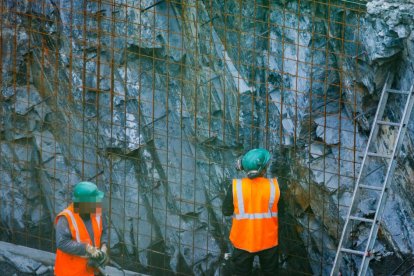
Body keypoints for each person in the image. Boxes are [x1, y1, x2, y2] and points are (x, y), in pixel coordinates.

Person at [222, 148, 280, 276]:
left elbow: (226, 211)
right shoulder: (274, 187)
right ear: (263, 169)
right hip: (268, 241)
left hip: (243, 241)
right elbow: (281, 210)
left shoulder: (236, 187)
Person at [54, 181, 109, 276]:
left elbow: (104, 230)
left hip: (91, 270)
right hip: (70, 272)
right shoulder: (66, 218)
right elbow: (62, 243)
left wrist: (104, 247)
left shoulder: (97, 211)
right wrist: (87, 248)